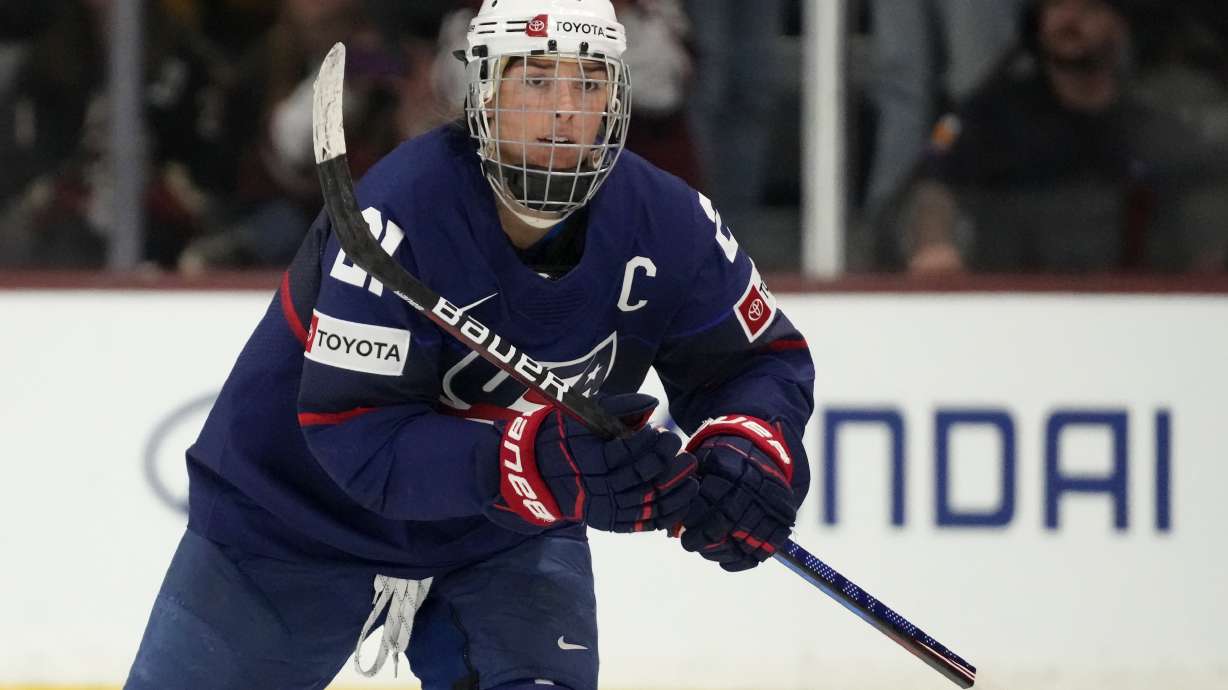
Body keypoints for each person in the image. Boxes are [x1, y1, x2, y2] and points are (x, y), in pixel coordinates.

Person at [126, 1, 815, 689]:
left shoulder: (668, 221)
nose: (564, 112)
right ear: (482, 90)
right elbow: (356, 435)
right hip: (288, 524)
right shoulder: (400, 208)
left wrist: (748, 451)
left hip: (497, 540)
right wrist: (535, 463)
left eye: (588, 82)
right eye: (537, 80)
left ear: (618, 96)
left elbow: (755, 362)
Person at [902, 0, 1228, 273]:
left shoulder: (1148, 128)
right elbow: (933, 185)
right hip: (1008, 309)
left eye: (1087, 7)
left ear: (1119, 25)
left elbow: (1204, 191)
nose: (1069, 18)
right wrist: (934, 244)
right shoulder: (989, 116)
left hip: (1130, 314)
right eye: (1056, 5)